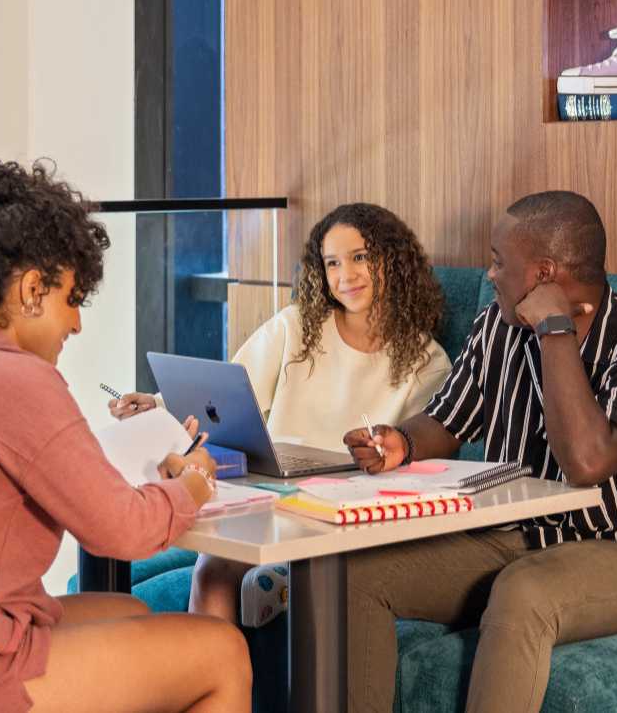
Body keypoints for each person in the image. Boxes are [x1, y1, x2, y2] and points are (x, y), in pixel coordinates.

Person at [0, 155, 251, 713]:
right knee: (223, 651)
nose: (77, 324)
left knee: (130, 611)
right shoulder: (18, 378)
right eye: (72, 300)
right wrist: (193, 486)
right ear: (32, 289)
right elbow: (125, 532)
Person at [342, 190, 617, 713]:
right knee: (353, 574)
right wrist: (404, 441)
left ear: (543, 275)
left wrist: (554, 331)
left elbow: (587, 463)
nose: (490, 275)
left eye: (497, 262)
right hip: (517, 538)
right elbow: (449, 418)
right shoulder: (498, 327)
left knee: (524, 591)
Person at [110, 202, 453, 621]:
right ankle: (209, 681)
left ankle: (282, 583)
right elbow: (228, 391)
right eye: (332, 263)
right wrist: (157, 404)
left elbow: (414, 451)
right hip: (272, 491)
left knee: (234, 567)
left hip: (349, 508)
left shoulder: (428, 361)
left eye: (360, 257)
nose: (346, 275)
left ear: (393, 261)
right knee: (212, 571)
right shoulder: (295, 327)